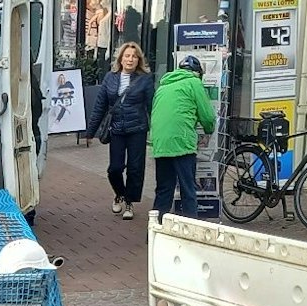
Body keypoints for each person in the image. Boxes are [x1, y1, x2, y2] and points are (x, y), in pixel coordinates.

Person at [83, 40, 154, 220]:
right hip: (116, 129)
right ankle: (119, 193)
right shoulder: (110, 77)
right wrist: (90, 132)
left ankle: (129, 202)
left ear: (139, 60)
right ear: (121, 58)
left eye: (134, 57)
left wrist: (155, 130)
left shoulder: (145, 80)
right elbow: (100, 106)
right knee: (114, 169)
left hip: (137, 128)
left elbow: (152, 106)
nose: (130, 60)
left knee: (135, 169)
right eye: (127, 56)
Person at [149, 55, 214, 218]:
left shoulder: (163, 86)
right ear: (197, 73)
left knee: (164, 190)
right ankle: (190, 232)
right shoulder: (194, 82)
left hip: (160, 143)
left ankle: (155, 233)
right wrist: (209, 130)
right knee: (188, 190)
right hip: (182, 143)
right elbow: (207, 116)